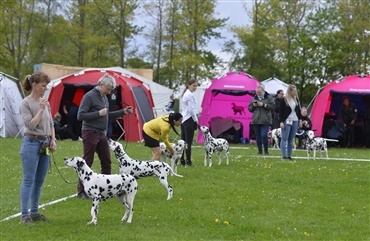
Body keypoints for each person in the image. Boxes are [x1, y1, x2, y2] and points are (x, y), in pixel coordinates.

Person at [76, 74, 134, 199]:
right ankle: (81, 191)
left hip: (102, 133)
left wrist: (123, 112)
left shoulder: (104, 98)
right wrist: (98, 113)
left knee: (107, 161)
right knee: (87, 162)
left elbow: (107, 115)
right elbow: (80, 116)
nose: (109, 92)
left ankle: (107, 188)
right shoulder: (89, 96)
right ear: (101, 85)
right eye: (108, 89)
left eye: (111, 89)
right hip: (90, 132)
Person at [19, 71, 57, 223]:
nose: (45, 89)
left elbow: (51, 123)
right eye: (43, 86)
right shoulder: (25, 103)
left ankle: (34, 212)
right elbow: (30, 125)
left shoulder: (45, 102)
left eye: (46, 86)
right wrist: (41, 109)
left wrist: (53, 139)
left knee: (39, 181)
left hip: (45, 144)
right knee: (29, 180)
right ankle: (24, 215)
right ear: (34, 85)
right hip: (31, 143)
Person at [248, 85, 275, 155]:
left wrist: (263, 105)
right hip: (256, 120)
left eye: (259, 92)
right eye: (257, 92)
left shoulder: (269, 98)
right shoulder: (254, 98)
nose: (258, 94)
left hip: (265, 120)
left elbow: (273, 107)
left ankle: (266, 151)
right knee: (258, 136)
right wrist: (253, 106)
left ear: (263, 91)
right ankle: (260, 151)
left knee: (264, 135)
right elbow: (249, 109)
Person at [279, 85, 302, 159]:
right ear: (290, 91)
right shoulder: (284, 100)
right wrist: (281, 121)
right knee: (284, 138)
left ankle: (289, 155)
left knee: (291, 139)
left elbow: (298, 111)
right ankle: (284, 155)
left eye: (296, 91)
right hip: (287, 120)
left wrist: (300, 120)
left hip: (295, 120)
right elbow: (280, 112)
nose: (295, 92)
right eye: (294, 91)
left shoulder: (297, 100)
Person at [180, 79, 198, 166]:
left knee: (183, 141)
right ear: (189, 85)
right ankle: (188, 161)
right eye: (194, 85)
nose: (195, 87)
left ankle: (182, 160)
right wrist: (196, 120)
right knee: (188, 142)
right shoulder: (190, 95)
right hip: (189, 119)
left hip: (183, 119)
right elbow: (191, 110)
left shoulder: (185, 94)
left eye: (196, 86)